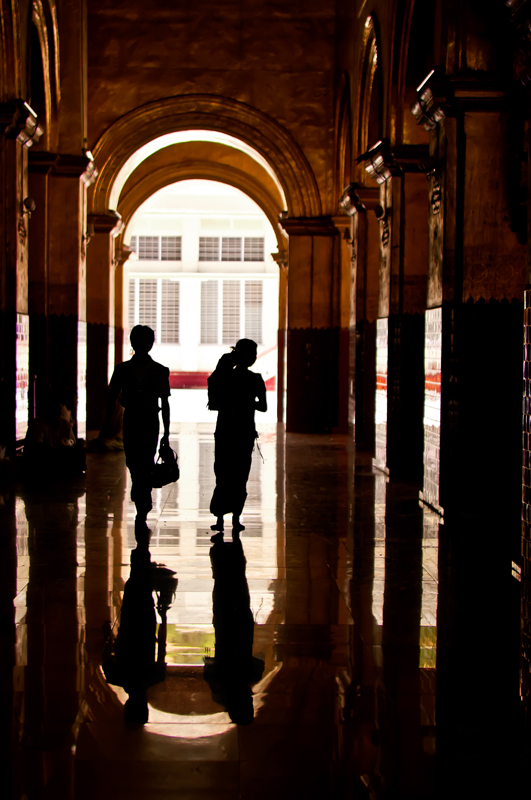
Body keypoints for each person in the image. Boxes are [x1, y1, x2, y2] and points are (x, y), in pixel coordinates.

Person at [101, 325, 170, 528]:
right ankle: (142, 497)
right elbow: (111, 398)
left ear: (150, 344)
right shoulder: (122, 370)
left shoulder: (160, 371)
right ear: (133, 343)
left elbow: (165, 403)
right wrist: (105, 423)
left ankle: (142, 504)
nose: (141, 345)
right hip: (131, 420)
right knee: (133, 461)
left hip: (149, 420)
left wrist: (166, 432)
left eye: (145, 341)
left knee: (146, 462)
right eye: (138, 341)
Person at [207, 338, 267, 536]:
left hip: (225, 431)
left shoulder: (226, 377)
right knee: (239, 475)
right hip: (243, 433)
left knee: (224, 473)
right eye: (253, 353)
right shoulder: (256, 379)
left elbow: (213, 386)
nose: (255, 357)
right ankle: (234, 519)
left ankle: (221, 519)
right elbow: (263, 407)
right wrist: (248, 402)